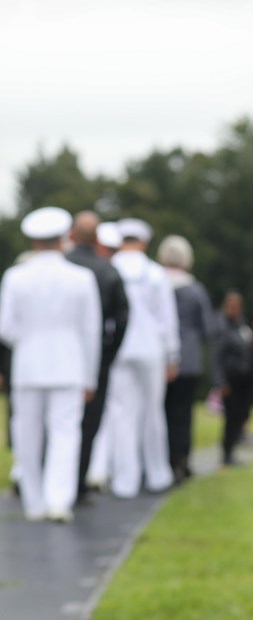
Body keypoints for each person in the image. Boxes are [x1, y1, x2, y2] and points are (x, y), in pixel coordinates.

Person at [0, 207, 102, 522]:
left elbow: (5, 328)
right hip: (69, 365)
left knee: (27, 433)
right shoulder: (82, 278)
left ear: (33, 241)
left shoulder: (16, 277)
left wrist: (28, 341)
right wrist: (90, 377)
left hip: (28, 366)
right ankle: (59, 499)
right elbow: (91, 331)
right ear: (63, 239)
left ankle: (34, 501)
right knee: (65, 434)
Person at [108, 218, 180, 498]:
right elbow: (166, 318)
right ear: (144, 241)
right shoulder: (154, 272)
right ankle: (157, 473)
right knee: (152, 412)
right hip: (151, 349)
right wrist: (172, 354)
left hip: (119, 349)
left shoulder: (111, 268)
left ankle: (124, 480)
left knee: (121, 414)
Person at [66, 211, 129, 503]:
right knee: (89, 423)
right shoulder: (107, 271)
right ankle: (77, 483)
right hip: (96, 357)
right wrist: (109, 353)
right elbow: (123, 317)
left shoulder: (65, 264)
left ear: (72, 235)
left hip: (62, 356)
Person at [157, 234, 216, 482]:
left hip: (159, 358)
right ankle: (180, 459)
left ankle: (159, 459)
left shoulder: (156, 283)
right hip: (188, 359)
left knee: (159, 411)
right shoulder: (194, 289)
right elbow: (208, 328)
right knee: (182, 413)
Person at [211, 291, 253, 466]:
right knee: (231, 417)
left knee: (241, 414)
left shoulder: (241, 324)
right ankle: (226, 452)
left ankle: (231, 450)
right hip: (230, 379)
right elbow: (216, 355)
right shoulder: (221, 325)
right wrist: (220, 381)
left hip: (245, 380)